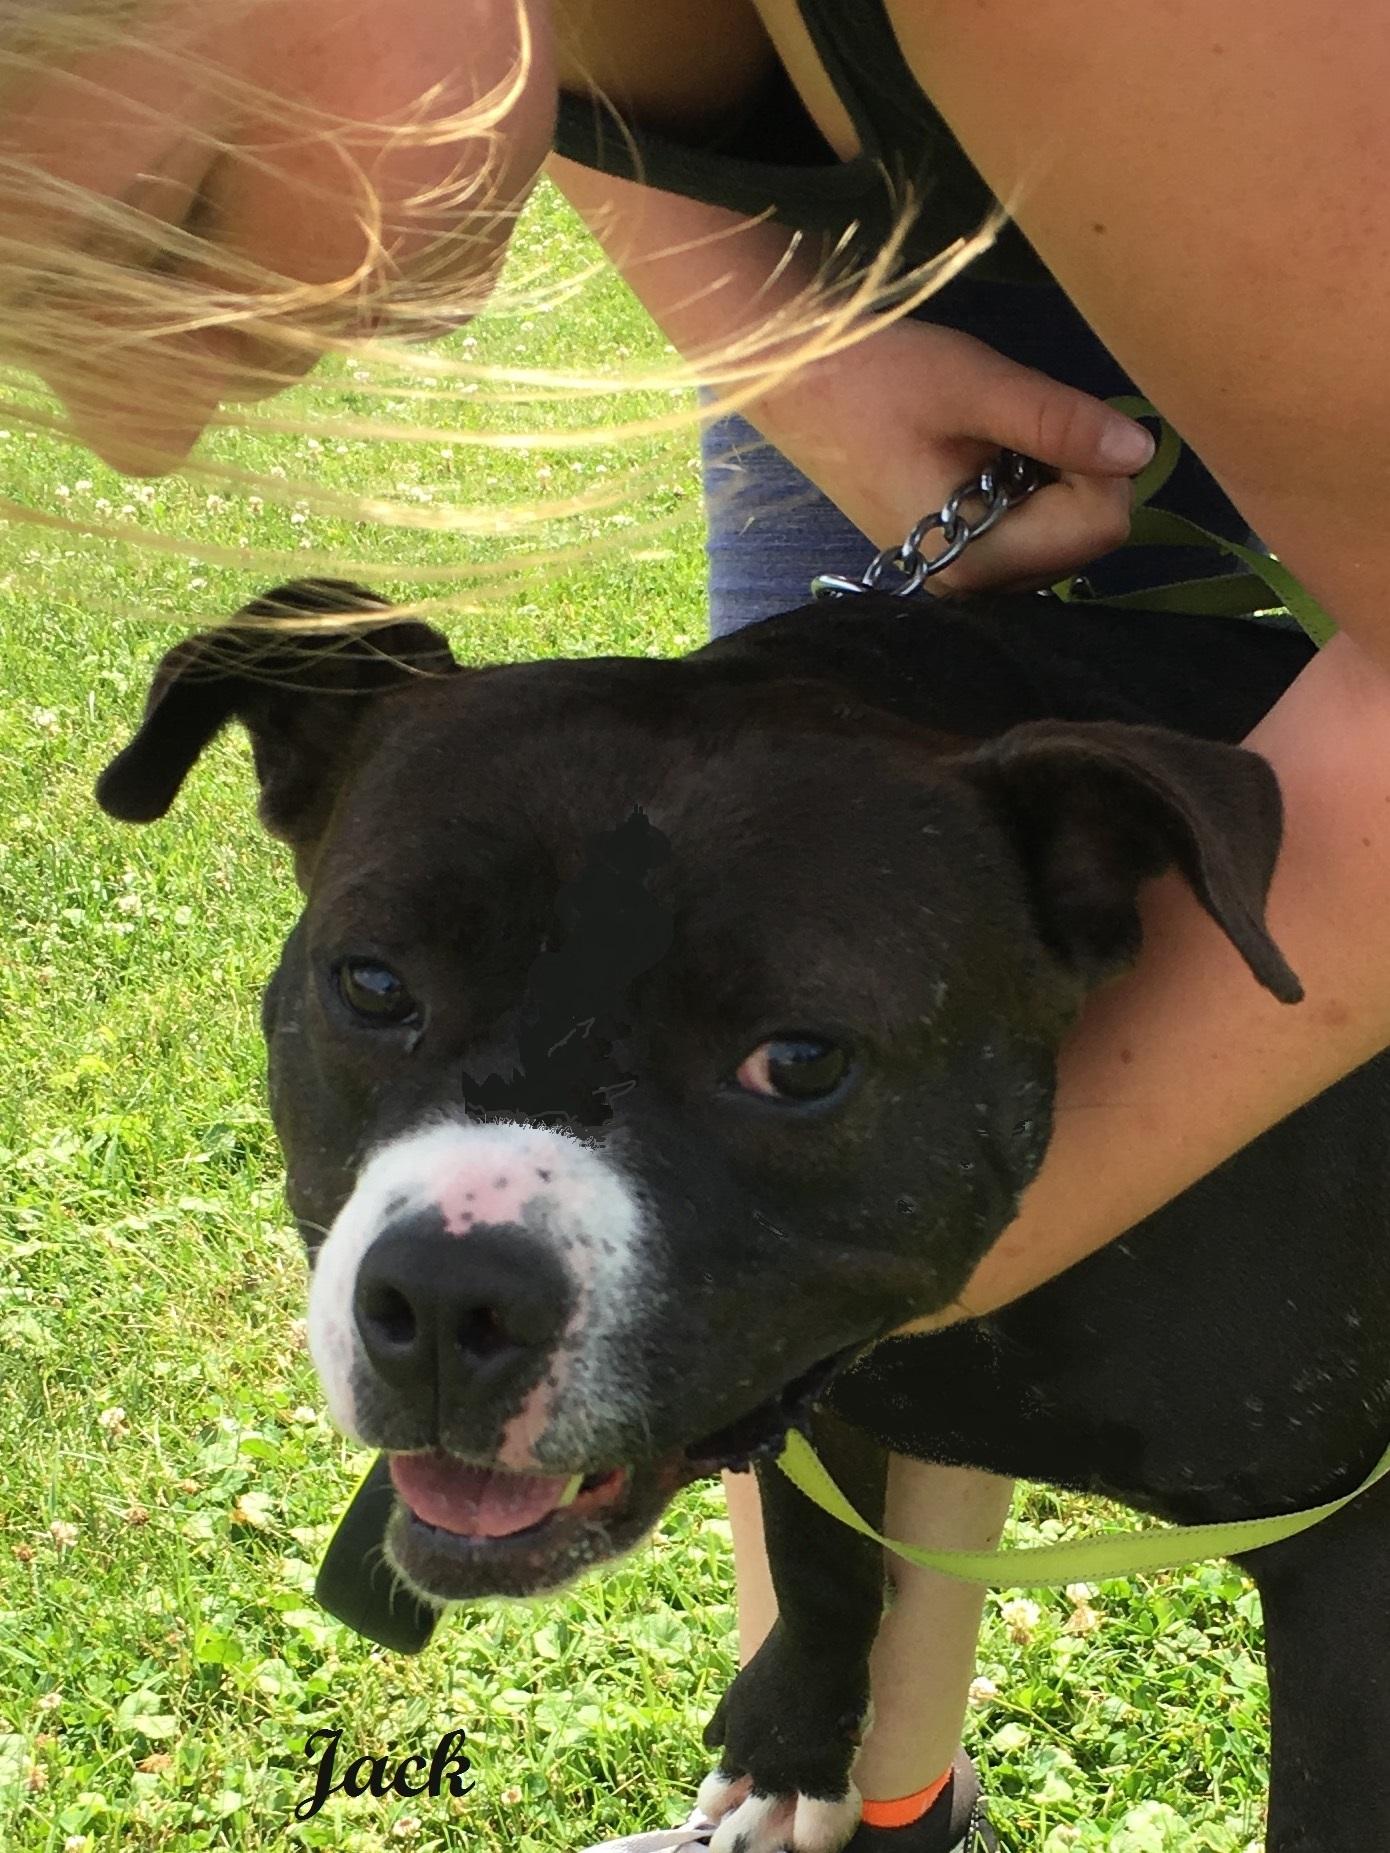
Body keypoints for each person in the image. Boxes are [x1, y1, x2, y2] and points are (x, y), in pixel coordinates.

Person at [5, 5, 1390, 1850]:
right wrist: (784, 334)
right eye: (379, 987)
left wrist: (947, 1236)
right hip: (904, 254)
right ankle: (849, 1798)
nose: (141, 419)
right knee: (799, 1148)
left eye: (168, 218)